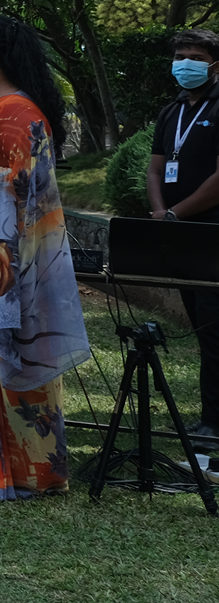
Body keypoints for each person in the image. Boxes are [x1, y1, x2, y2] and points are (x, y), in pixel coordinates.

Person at [0, 14, 90, 499]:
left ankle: (30, 467)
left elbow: (31, 183)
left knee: (8, 344)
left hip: (7, 254)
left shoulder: (20, 113)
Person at [147, 28, 219, 439]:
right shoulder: (172, 109)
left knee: (215, 328)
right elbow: (156, 168)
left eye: (194, 57)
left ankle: (213, 421)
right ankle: (211, 415)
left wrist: (175, 213)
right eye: (179, 57)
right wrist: (160, 211)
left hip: (211, 232)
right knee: (201, 325)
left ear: (214, 65)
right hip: (179, 231)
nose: (184, 64)